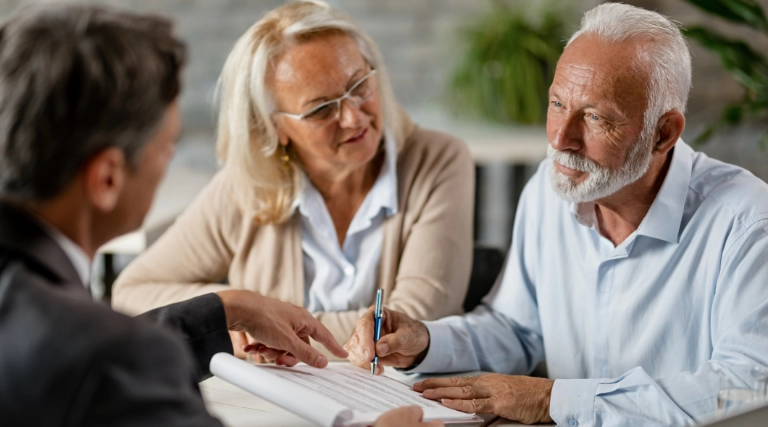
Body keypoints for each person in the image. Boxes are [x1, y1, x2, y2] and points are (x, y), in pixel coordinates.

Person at [0, 5, 437, 427]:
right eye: (167, 147)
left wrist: (227, 307)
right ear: (107, 179)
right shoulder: (116, 359)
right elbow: (108, 354)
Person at [345, 3, 768, 426]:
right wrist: (425, 341)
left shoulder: (748, 223)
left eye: (596, 117)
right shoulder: (549, 193)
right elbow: (517, 329)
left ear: (664, 133)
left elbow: (745, 388)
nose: (562, 138)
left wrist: (555, 401)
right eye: (558, 103)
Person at [111, 0, 474, 359]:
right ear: (274, 127)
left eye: (360, 85)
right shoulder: (246, 186)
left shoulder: (439, 159)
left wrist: (271, 328)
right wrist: (234, 309)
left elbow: (414, 326)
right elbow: (132, 291)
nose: (353, 117)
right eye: (321, 109)